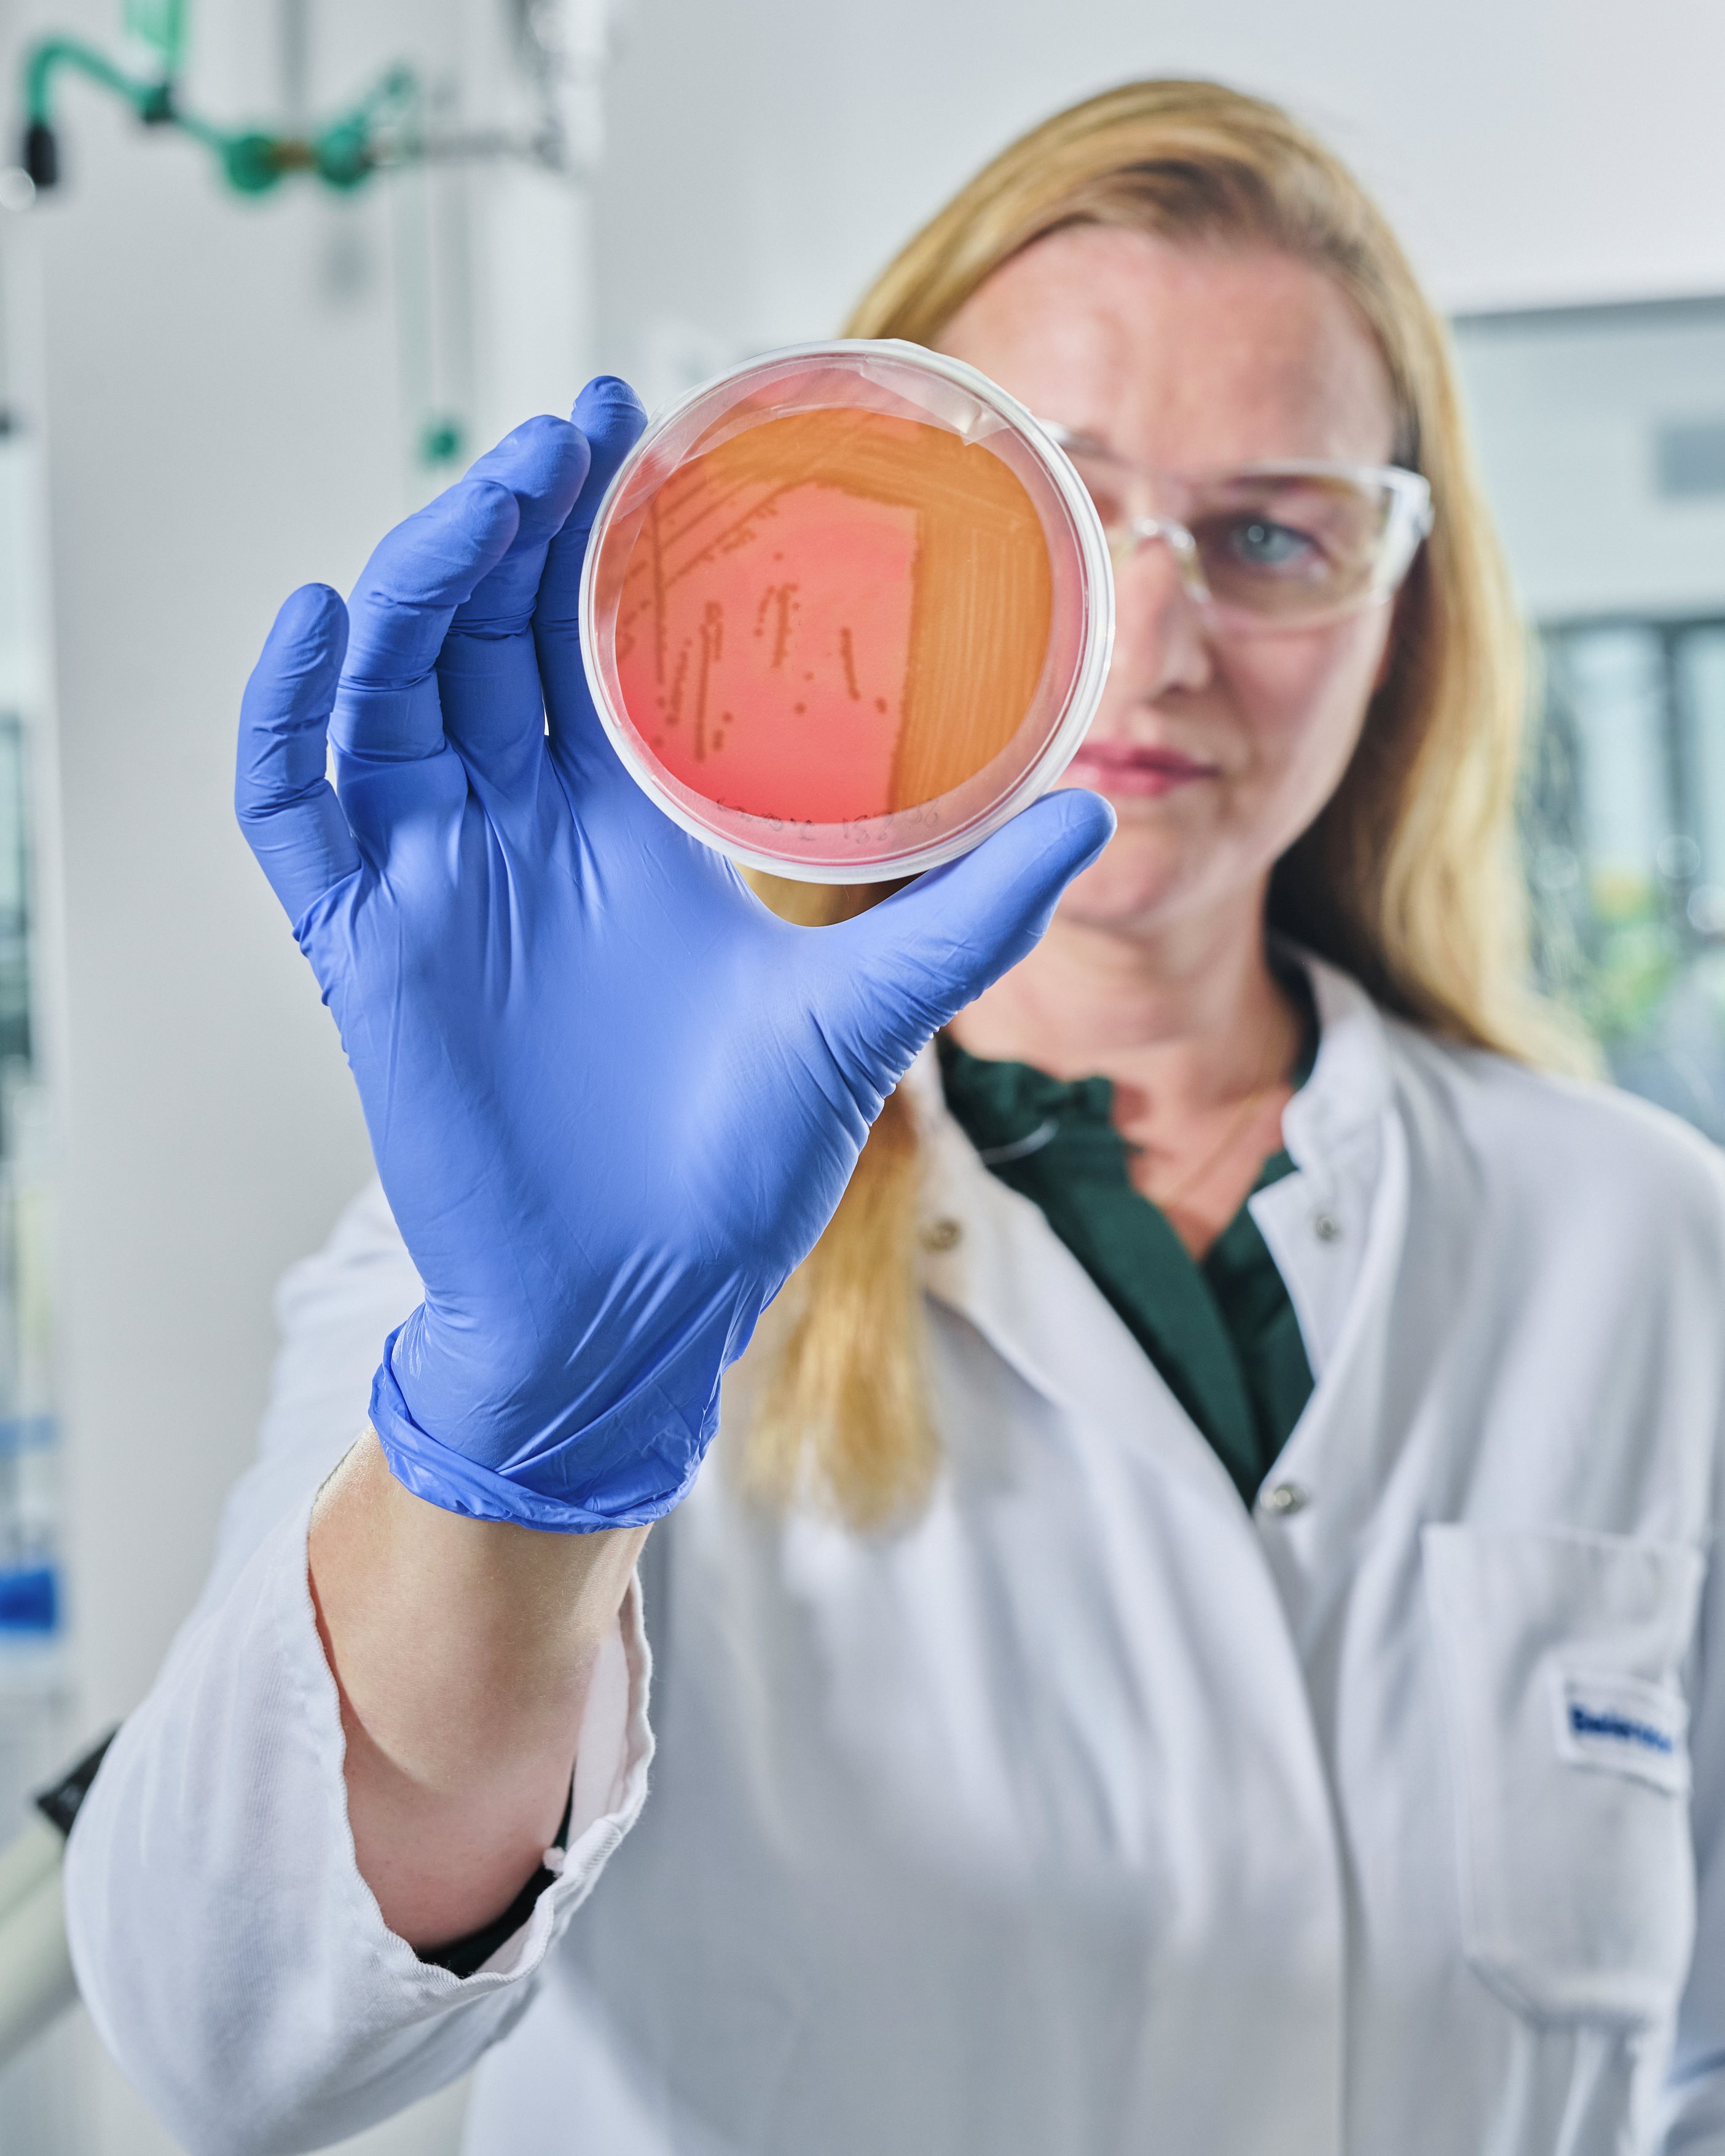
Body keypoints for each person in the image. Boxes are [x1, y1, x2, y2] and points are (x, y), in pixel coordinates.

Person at [63, 77, 1725, 2156]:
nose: (1160, 633)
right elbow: (230, 2029)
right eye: (1054, 506)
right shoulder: (567, 1219)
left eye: (1275, 531)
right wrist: (528, 1441)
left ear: (1403, 618)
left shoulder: (1646, 1241)